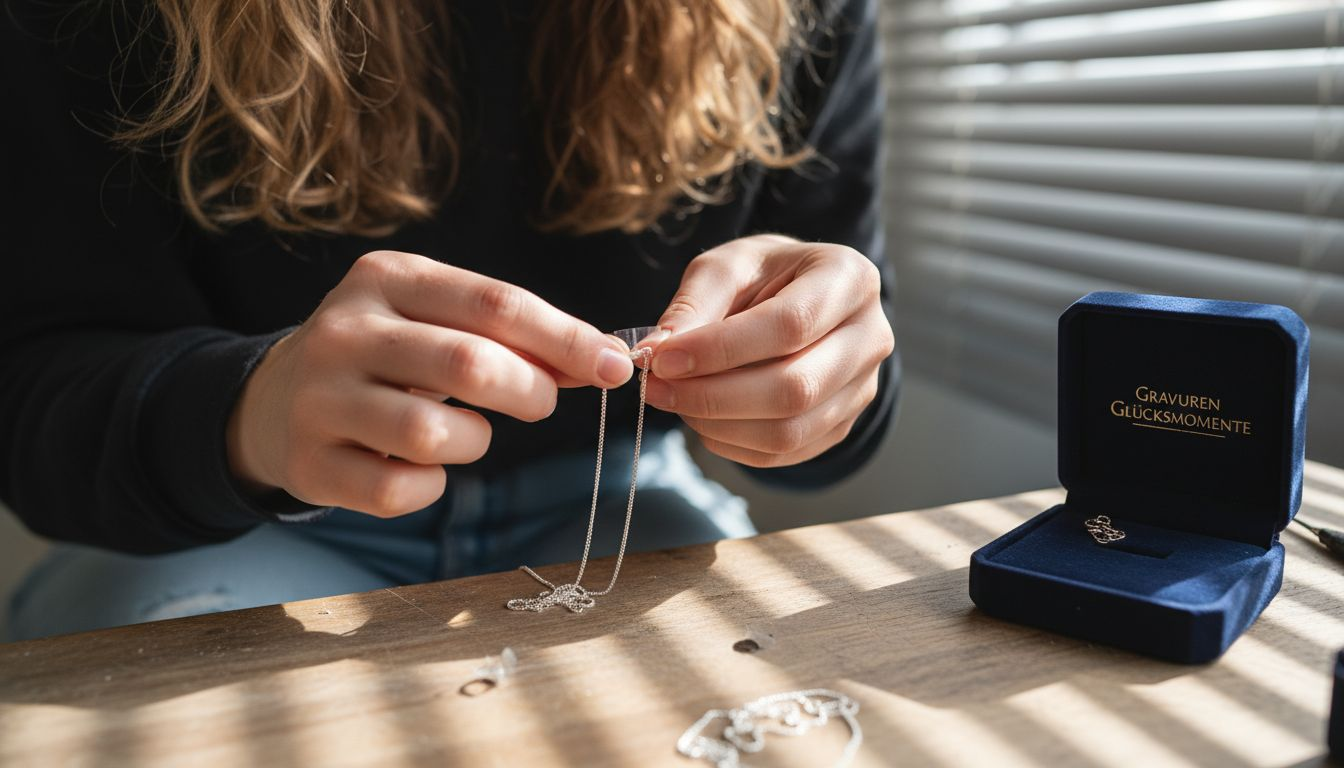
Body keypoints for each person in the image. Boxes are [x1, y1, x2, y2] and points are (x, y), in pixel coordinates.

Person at [0, 0, 896, 640]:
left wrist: (822, 379)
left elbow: (848, 385)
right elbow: (33, 395)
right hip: (239, 533)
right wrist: (247, 412)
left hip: (624, 502)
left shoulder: (793, 15)